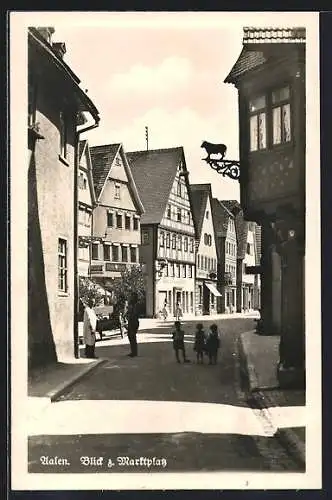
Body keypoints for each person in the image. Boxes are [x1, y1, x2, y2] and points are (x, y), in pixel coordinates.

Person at [127, 292, 140, 357]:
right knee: (130, 336)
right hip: (132, 321)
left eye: (131, 296)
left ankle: (134, 352)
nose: (130, 297)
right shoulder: (132, 304)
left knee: (132, 336)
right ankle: (133, 351)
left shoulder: (135, 304)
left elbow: (134, 314)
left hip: (133, 321)